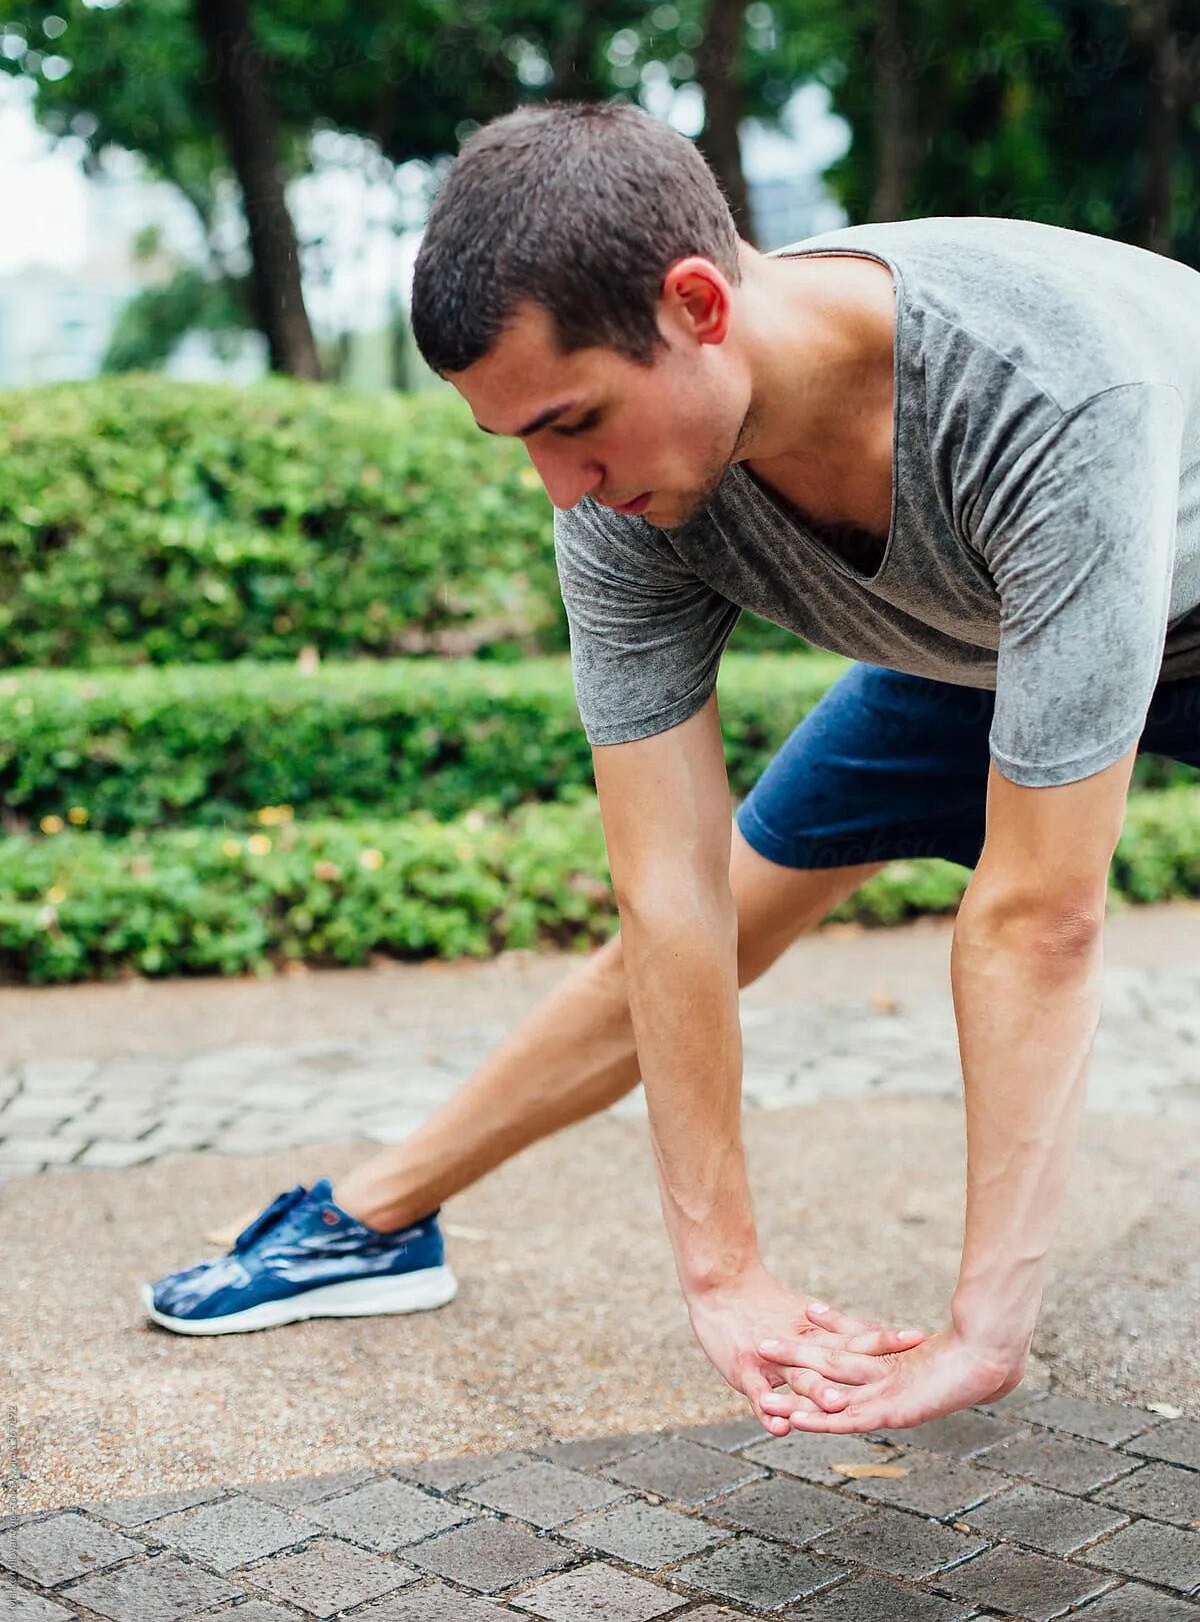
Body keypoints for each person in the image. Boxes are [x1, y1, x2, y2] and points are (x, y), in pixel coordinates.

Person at [144, 101, 1200, 1440]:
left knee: (1026, 911)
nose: (560, 489)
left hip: (1175, 587)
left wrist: (984, 1333)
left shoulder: (1043, 393)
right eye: (518, 439)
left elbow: (1040, 920)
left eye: (572, 423)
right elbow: (670, 894)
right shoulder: (619, 490)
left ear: (698, 304)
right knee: (714, 912)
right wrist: (724, 1276)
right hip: (974, 641)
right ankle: (371, 1221)